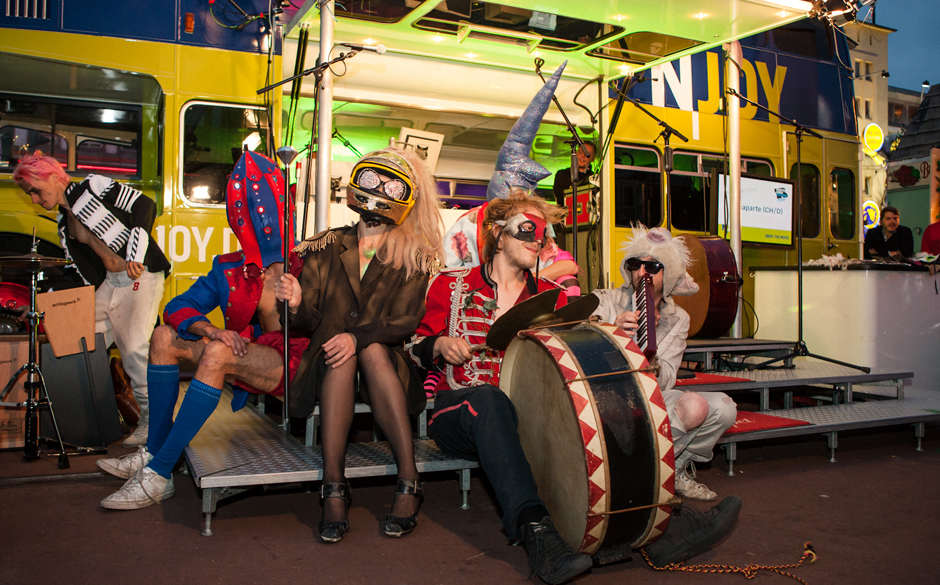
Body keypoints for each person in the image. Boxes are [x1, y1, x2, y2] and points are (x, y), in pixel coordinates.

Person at [407, 195, 739, 584]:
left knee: (602, 408)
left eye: (543, 235)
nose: (538, 241)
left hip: (526, 415)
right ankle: (536, 533)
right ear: (498, 235)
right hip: (461, 410)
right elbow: (413, 349)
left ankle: (657, 525)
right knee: (490, 400)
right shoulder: (451, 284)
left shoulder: (554, 299)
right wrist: (438, 345)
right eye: (527, 231)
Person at [93, 150, 305, 510]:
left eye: (264, 206)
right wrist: (210, 328)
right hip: (251, 351)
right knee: (163, 336)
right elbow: (176, 307)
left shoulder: (311, 261)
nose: (258, 216)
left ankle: (159, 473)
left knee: (218, 352)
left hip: (298, 362)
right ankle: (155, 451)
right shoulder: (229, 268)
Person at [276, 147, 444, 542]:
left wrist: (357, 337)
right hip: (329, 359)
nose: (379, 190)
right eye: (371, 180)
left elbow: (404, 321)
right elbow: (307, 322)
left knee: (365, 349)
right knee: (339, 354)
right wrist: (297, 304)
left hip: (384, 362)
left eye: (390, 185)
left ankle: (409, 479)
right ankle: (333, 486)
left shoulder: (416, 256)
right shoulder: (324, 246)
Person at [13, 151, 170, 448]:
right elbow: (76, 274)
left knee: (134, 346)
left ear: (55, 177)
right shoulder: (64, 225)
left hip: (141, 274)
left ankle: (155, 421)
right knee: (75, 333)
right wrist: (38, 305)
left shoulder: (93, 186)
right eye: (29, 193)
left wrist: (135, 253)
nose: (34, 199)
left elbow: (145, 205)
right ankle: (93, 414)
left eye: (35, 190)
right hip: (112, 283)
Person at [592, 225, 737, 502]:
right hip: (607, 397)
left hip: (651, 393)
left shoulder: (678, 317)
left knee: (722, 407)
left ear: (667, 274)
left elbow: (667, 380)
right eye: (636, 264)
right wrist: (612, 331)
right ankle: (648, 474)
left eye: (653, 266)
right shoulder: (605, 300)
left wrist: (649, 341)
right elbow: (578, 346)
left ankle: (673, 469)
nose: (642, 272)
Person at [551, 140, 596, 207]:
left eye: (587, 154)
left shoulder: (594, 179)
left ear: (593, 158)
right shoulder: (562, 175)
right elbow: (561, 200)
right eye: (580, 152)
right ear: (576, 153)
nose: (583, 155)